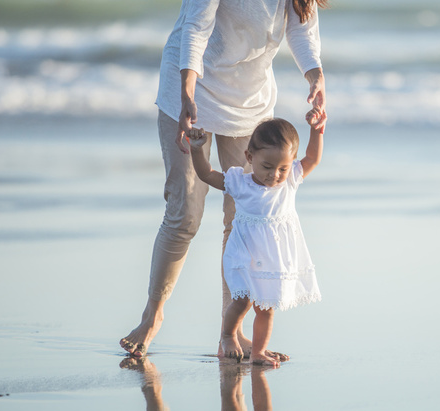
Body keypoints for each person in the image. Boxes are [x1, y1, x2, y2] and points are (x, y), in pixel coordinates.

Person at [120, 0, 328, 359]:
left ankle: (230, 332)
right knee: (184, 212)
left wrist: (315, 76)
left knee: (243, 219)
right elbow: (196, 25)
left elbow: (300, 27)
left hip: (249, 101)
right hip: (190, 87)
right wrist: (187, 92)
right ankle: (153, 314)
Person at [187, 114, 323, 366]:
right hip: (244, 254)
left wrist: (317, 130)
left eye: (283, 168)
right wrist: (197, 149)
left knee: (266, 308)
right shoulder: (240, 182)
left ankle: (259, 351)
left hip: (273, 259)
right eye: (267, 167)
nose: (275, 175)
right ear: (250, 158)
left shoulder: (290, 180)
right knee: (242, 300)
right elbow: (206, 174)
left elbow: (313, 158)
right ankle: (228, 335)